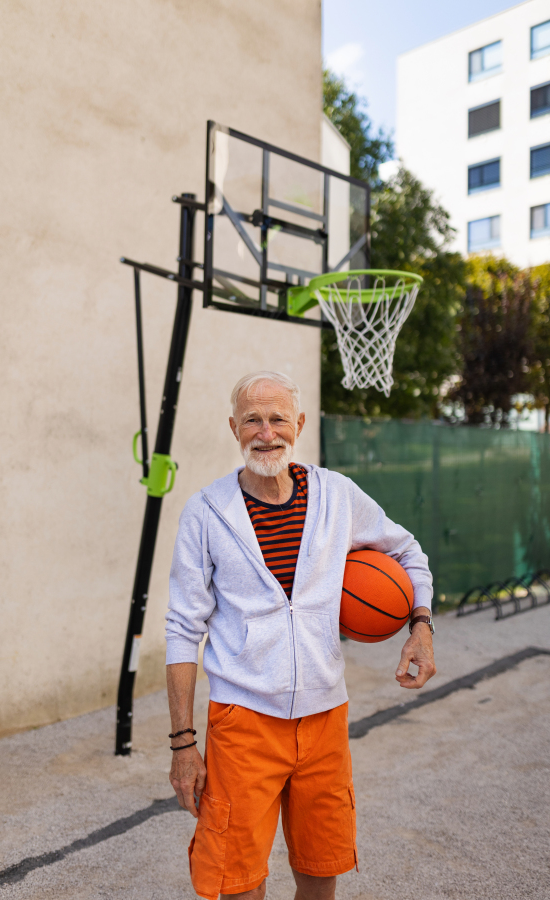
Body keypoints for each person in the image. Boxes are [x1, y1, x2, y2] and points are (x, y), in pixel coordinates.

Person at [165, 371, 436, 900]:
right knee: (237, 882)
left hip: (324, 718)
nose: (266, 432)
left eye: (277, 419)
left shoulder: (337, 495)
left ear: (300, 424)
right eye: (252, 420)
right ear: (233, 427)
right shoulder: (206, 511)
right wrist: (182, 745)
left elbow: (407, 552)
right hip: (243, 722)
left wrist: (420, 625)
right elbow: (181, 629)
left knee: (320, 869)